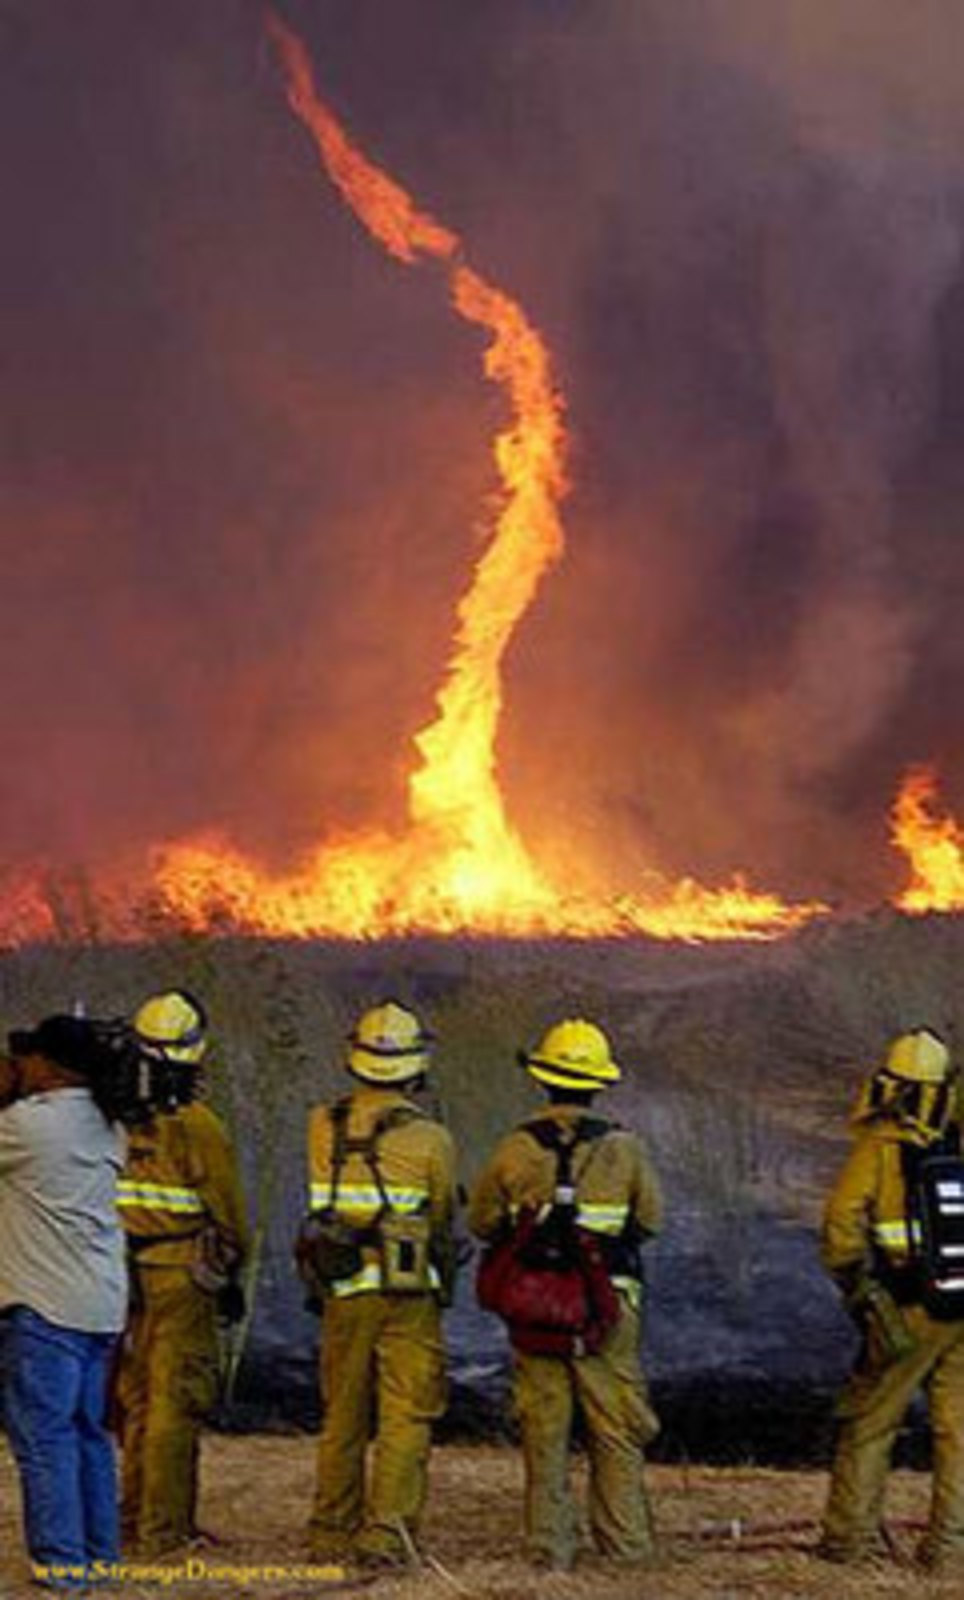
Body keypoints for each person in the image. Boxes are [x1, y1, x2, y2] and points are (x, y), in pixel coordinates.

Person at [468, 1018, 662, 1572]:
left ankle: (548, 1549)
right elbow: (650, 1221)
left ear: (544, 1080)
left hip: (537, 1309)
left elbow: (483, 1223)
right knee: (616, 1427)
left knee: (544, 1428)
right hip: (607, 1308)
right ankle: (625, 1549)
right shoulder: (624, 1148)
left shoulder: (514, 1147)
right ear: (598, 1085)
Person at [303, 999, 456, 1570]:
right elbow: (441, 1218)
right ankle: (387, 1538)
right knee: (405, 1415)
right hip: (407, 1294)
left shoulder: (322, 1124)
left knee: (342, 1415)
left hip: (344, 1288)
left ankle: (329, 1533)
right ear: (415, 1065)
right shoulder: (432, 1138)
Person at [819, 1027, 964, 1569]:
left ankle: (848, 1543)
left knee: (870, 1420)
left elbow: (841, 1226)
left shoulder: (879, 1147)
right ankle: (950, 1548)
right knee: (958, 1429)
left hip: (907, 1307)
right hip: (962, 1305)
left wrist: (859, 1290)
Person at [115, 989, 248, 1557]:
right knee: (175, 1400)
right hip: (180, 1274)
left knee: (138, 1400)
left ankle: (131, 1521)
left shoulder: (113, 1117)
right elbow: (229, 1214)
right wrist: (232, 1266)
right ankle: (164, 1533)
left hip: (121, 1271)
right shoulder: (197, 1125)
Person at [0, 1015, 127, 1588]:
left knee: (45, 1440)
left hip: (43, 1308)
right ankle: (100, 1559)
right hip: (100, 1305)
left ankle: (62, 1567)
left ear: (48, 1067)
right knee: (88, 1436)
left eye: (26, 1058)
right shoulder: (109, 1125)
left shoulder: (29, 1126)